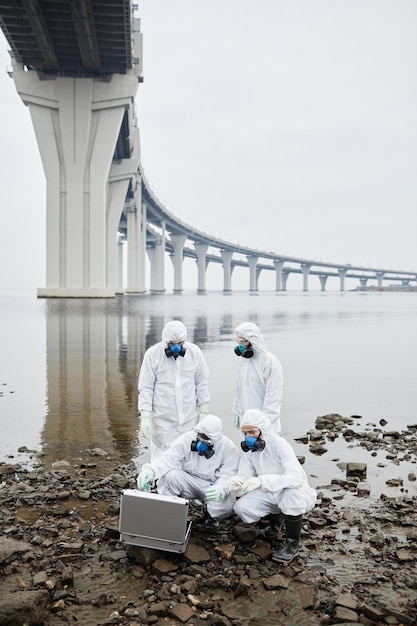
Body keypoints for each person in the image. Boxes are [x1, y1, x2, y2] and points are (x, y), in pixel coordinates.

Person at [229, 409, 317, 563]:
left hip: (293, 491)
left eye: (252, 432)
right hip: (269, 491)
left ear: (263, 430)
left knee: (290, 496)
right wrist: (237, 481)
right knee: (242, 507)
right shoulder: (250, 451)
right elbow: (245, 473)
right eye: (245, 433)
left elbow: (295, 478)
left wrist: (263, 481)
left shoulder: (280, 445)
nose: (248, 437)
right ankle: (275, 521)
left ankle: (292, 545)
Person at [136, 414, 240, 531]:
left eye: (205, 437)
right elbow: (168, 459)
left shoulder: (229, 448)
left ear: (215, 439)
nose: (201, 439)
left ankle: (210, 514)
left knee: (228, 504)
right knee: (170, 477)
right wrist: (151, 471)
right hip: (187, 481)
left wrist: (221, 488)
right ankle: (170, 512)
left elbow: (228, 474)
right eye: (199, 435)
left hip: (211, 486)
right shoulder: (187, 439)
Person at [138, 320, 210, 461]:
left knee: (188, 455)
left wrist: (203, 409)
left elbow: (202, 382)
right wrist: (145, 415)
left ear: (184, 340)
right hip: (163, 419)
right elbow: (146, 388)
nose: (176, 347)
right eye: (171, 344)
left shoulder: (194, 353)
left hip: (189, 417)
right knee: (163, 457)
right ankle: (156, 479)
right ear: (165, 341)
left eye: (180, 343)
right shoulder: (152, 355)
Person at [232, 321, 284, 433]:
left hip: (265, 428)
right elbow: (239, 389)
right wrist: (236, 411)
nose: (240, 345)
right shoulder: (244, 361)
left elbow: (273, 399)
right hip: (246, 425)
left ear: (253, 341)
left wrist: (263, 427)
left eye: (243, 341)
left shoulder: (269, 362)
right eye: (239, 341)